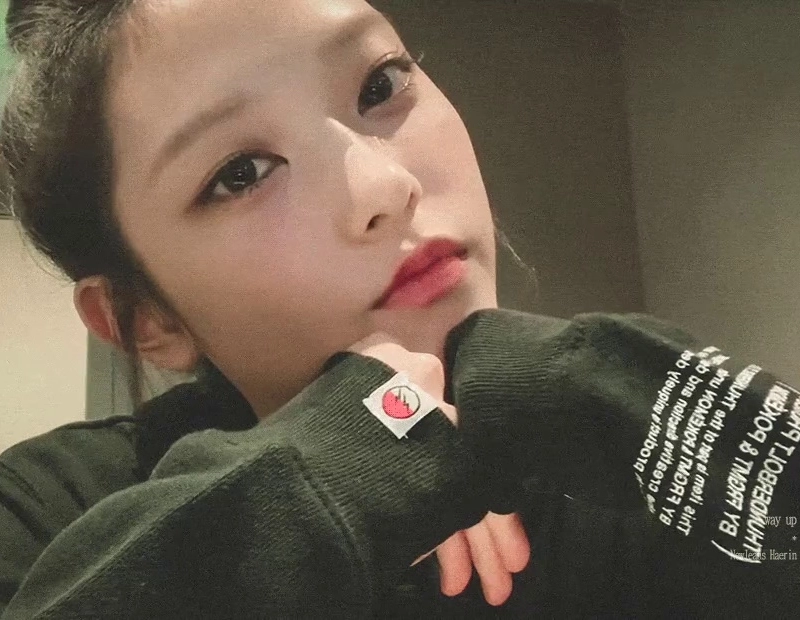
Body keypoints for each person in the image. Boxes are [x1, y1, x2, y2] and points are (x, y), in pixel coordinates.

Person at [0, 0, 798, 617]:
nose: (385, 187)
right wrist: (334, 475)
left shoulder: (626, 472)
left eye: (379, 85)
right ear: (144, 319)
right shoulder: (48, 514)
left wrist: (644, 409)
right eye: (242, 173)